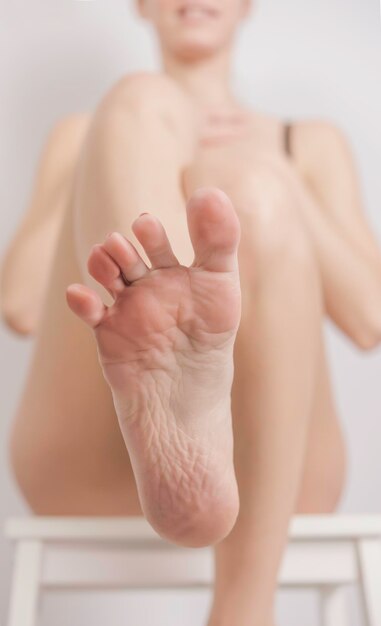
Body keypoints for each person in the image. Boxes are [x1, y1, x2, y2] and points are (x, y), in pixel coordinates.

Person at [2, 0, 381, 624]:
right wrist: (103, 158)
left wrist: (278, 175)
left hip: (278, 473)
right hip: (95, 462)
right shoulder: (86, 131)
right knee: (141, 99)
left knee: (247, 189)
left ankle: (242, 604)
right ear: (142, 6)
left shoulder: (304, 143)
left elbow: (368, 318)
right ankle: (167, 372)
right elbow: (18, 303)